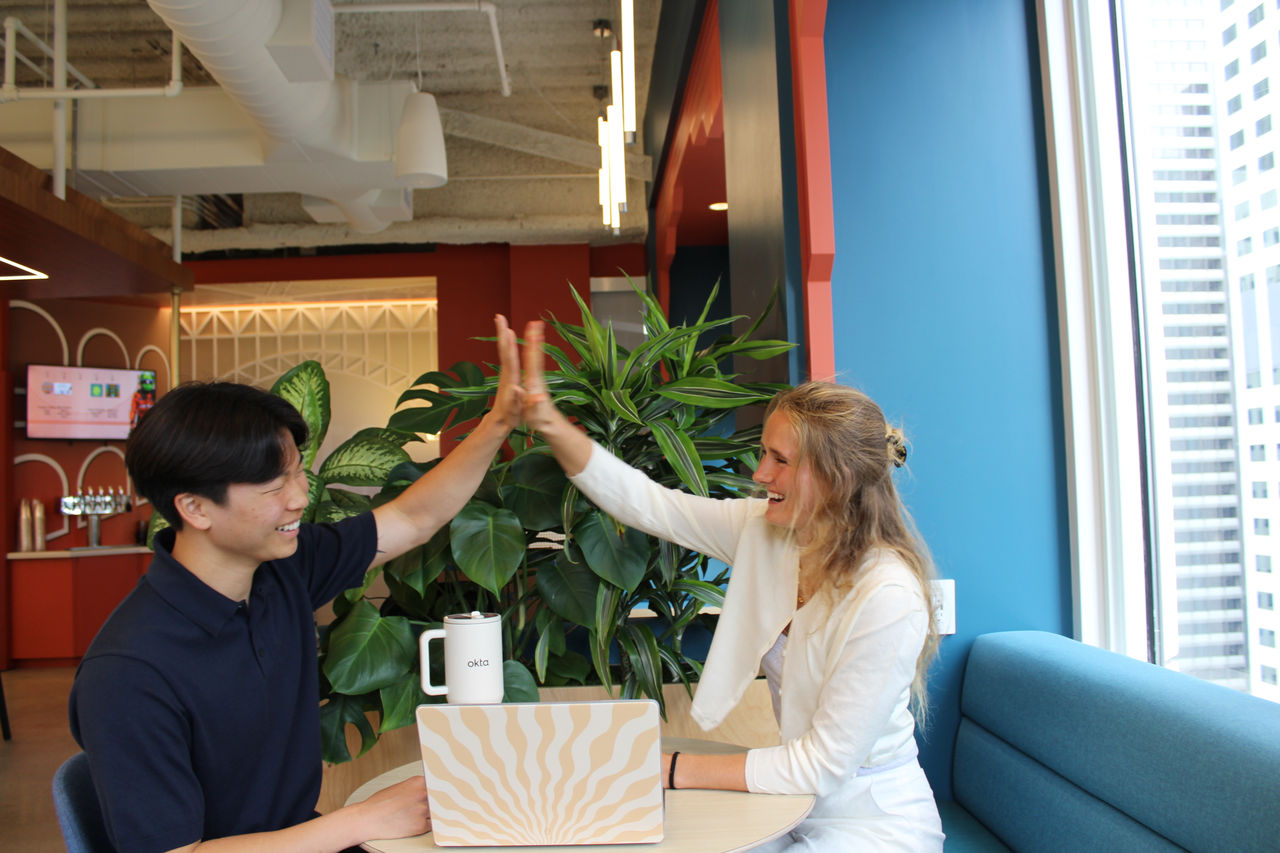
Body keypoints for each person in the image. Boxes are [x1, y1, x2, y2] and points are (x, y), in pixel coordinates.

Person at [69, 316, 526, 853]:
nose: (299, 498)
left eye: (296, 473)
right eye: (272, 486)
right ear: (194, 508)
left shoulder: (279, 569)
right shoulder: (129, 673)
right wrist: (360, 821)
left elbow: (413, 518)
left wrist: (497, 423)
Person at [520, 320, 944, 851]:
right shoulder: (765, 532)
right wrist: (550, 423)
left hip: (872, 818)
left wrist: (671, 768)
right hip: (789, 802)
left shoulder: (887, 597)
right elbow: (652, 505)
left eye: (780, 460)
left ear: (835, 477)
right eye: (765, 453)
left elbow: (824, 765)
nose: (760, 474)